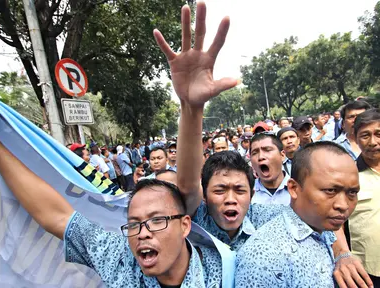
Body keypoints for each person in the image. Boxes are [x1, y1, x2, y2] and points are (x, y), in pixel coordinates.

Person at [154, 2, 372, 286]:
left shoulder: (266, 216)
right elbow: (186, 185)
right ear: (205, 195)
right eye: (220, 190)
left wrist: (342, 253)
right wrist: (192, 109)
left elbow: (324, 217)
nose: (231, 198)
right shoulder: (195, 221)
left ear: (251, 191)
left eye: (239, 190)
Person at [0, 139, 223, 287]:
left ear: (185, 225)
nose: (143, 233)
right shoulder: (118, 258)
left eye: (156, 220)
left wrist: (192, 106)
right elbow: (56, 216)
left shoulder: (226, 274)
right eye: (134, 224)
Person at [235, 142, 361, 287]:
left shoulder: (321, 227)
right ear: (294, 188)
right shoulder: (264, 256)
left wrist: (342, 254)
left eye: (352, 193)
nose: (343, 205)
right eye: (330, 191)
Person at [345, 109, 380, 286]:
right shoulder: (348, 176)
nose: (373, 142)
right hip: (367, 273)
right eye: (365, 135)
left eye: (378, 134)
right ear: (356, 138)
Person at [250, 133, 291, 205]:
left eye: (267, 150)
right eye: (255, 153)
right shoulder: (247, 193)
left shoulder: (300, 190)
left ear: (282, 155)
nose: (261, 157)